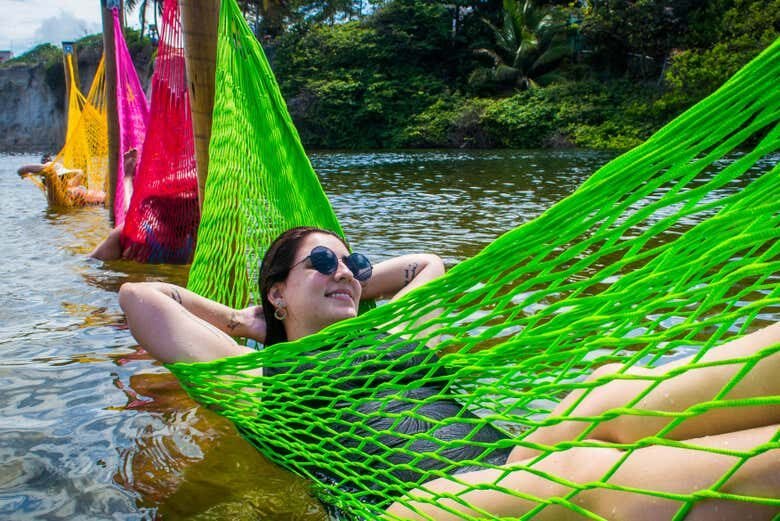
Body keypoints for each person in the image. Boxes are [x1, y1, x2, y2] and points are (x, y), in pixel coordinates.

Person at [118, 226, 780, 519]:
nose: (345, 270)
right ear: (276, 292)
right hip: (416, 510)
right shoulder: (259, 377)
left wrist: (342, 277)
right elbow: (143, 299)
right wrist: (248, 321)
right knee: (575, 477)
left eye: (354, 261)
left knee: (602, 395)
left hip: (506, 462)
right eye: (321, 261)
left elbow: (426, 265)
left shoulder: (398, 330)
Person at [18, 154, 105, 206]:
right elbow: (49, 172)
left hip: (105, 201)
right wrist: (24, 170)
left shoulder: (69, 186)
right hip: (103, 204)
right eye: (62, 177)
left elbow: (80, 172)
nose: (65, 179)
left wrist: (22, 170)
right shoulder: (57, 196)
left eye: (64, 177)